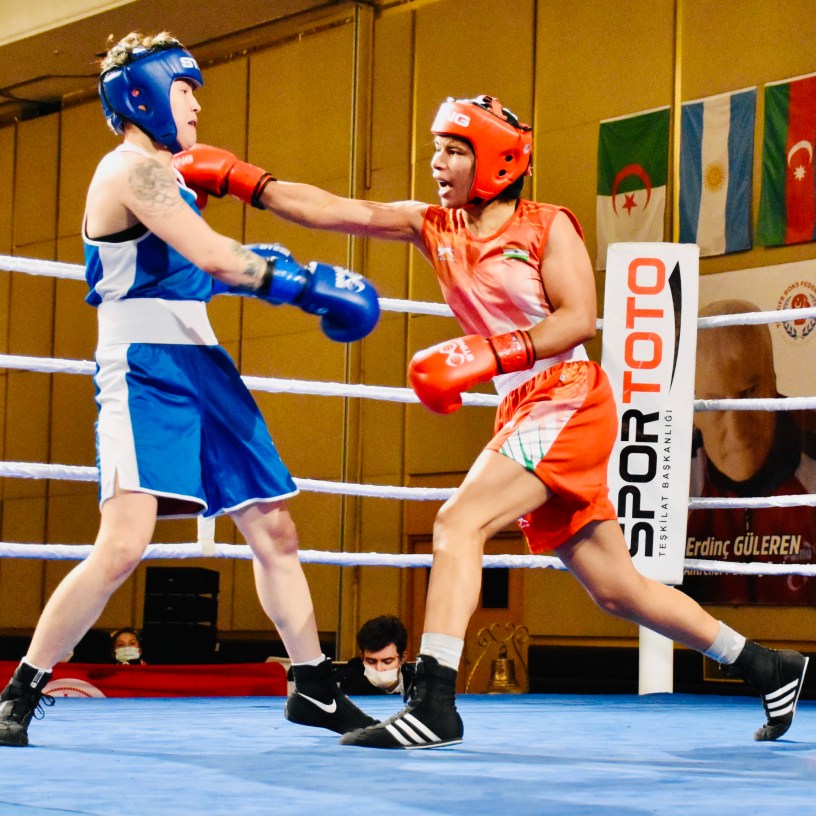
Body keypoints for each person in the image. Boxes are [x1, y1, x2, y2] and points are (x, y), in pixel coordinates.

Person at [174, 95, 809, 748]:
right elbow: (338, 210)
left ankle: (433, 703)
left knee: (459, 522)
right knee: (619, 590)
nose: (437, 162)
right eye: (436, 148)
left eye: (454, 150)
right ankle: (770, 666)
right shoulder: (433, 225)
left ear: (497, 160)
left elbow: (577, 318)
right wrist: (244, 180)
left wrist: (493, 352)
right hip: (523, 403)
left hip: (566, 395)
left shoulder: (546, 226)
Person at [0, 32, 381, 748]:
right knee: (123, 544)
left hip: (201, 359)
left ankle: (313, 686)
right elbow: (212, 257)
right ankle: (20, 690)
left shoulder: (166, 179)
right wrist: (301, 284)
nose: (197, 106)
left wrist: (261, 266)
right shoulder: (128, 172)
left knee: (274, 526)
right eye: (184, 91)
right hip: (145, 365)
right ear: (143, 96)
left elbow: (195, 274)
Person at [685, 299, 816, 604]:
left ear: (773, 380)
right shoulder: (671, 477)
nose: (738, 430)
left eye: (748, 393)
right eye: (715, 405)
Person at [334, 615, 415, 701]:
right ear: (362, 657)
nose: (379, 669)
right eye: (371, 661)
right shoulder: (347, 682)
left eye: (387, 661)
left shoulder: (418, 683)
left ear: (403, 658)